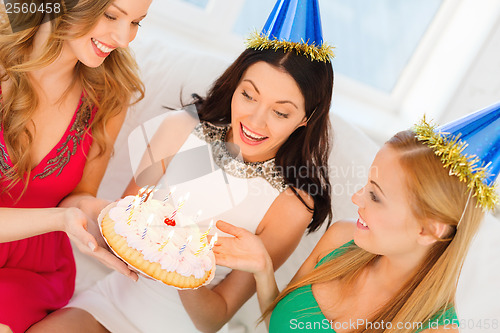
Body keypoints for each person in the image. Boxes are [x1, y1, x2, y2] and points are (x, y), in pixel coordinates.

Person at [30, 0, 336, 332]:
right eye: (249, 96)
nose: (255, 121)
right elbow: (121, 228)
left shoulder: (292, 205)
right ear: (235, 86)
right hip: (111, 303)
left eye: (281, 112)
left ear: (307, 118)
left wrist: (182, 265)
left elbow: (214, 318)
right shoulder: (179, 130)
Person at [212, 104, 500, 333]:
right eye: (366, 186)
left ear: (428, 231)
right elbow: (281, 324)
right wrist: (263, 268)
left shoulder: (436, 330)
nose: (356, 198)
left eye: (375, 196)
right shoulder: (340, 239)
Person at [0, 0, 152, 331]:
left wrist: (107, 217)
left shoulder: (110, 94)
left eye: (137, 22)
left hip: (33, 271)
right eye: (111, 16)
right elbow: (62, 214)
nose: (124, 39)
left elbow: (79, 197)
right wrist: (61, 218)